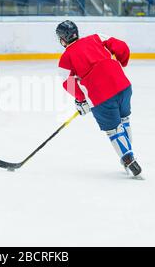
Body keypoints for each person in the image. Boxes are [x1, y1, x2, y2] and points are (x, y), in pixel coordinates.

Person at [56, 20, 142, 177]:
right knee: (124, 120)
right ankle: (129, 154)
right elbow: (121, 46)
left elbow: (66, 82)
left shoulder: (65, 57)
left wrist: (81, 99)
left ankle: (129, 160)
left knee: (114, 129)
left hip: (101, 96)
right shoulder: (96, 37)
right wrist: (120, 64)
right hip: (123, 86)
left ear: (62, 39)